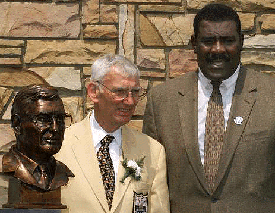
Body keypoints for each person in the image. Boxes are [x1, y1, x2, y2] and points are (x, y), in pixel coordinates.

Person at [142, 3, 275, 213]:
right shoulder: (162, 101)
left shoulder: (271, 96)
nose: (218, 49)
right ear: (194, 43)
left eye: (228, 41)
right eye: (208, 41)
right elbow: (149, 182)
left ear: (241, 42)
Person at [56, 54, 170, 213]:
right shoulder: (59, 147)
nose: (130, 101)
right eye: (120, 92)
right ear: (94, 91)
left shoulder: (153, 151)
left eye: (135, 92)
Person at [2, 85, 74, 191]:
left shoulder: (63, 173)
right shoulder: (5, 168)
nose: (55, 128)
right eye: (43, 119)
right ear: (17, 124)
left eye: (60, 119)